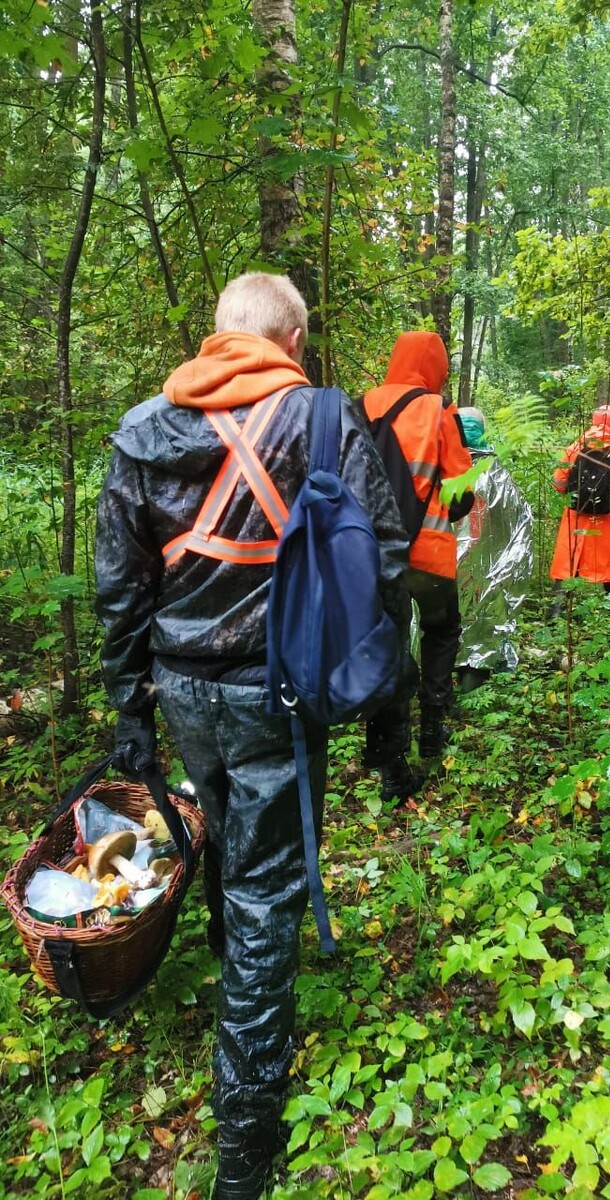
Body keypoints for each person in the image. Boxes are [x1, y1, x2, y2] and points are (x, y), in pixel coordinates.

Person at [94, 273, 409, 1200]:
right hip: (280, 696)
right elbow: (384, 553)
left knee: (231, 841)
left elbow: (121, 584)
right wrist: (348, 661)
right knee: (269, 890)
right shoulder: (321, 420)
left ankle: (240, 978)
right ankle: (246, 1141)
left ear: (220, 332)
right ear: (294, 336)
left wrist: (129, 704)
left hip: (184, 692)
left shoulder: (145, 428)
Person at [362, 331, 473, 798]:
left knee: (385, 646)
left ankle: (389, 765)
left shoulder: (360, 405)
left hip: (370, 558)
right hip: (426, 554)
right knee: (441, 631)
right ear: (435, 365)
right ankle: (432, 728)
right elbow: (461, 493)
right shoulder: (438, 410)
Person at [454, 407, 534, 692]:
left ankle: (440, 692)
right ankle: (471, 683)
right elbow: (520, 527)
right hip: (485, 572)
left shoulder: (442, 466)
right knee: (479, 624)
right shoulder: (498, 474)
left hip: (439, 567)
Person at [549, 404, 610, 599]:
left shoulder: (574, 447)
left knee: (569, 560)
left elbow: (558, 483)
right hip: (609, 518)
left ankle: (557, 611)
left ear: (593, 420)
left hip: (576, 515)